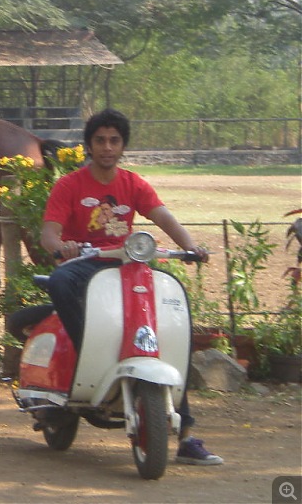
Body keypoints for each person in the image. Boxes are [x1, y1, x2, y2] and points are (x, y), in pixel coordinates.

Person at [39, 108, 223, 466]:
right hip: (85, 263)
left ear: (123, 146)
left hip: (127, 263)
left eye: (114, 140)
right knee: (60, 280)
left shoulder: (133, 183)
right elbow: (49, 233)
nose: (107, 147)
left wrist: (191, 246)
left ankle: (185, 435)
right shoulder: (70, 185)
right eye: (100, 141)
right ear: (89, 146)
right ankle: (86, 349)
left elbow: (163, 216)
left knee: (170, 327)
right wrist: (62, 247)